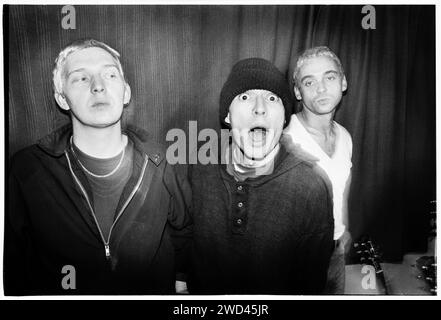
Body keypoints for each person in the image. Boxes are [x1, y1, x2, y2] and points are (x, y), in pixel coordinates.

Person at [4, 39, 192, 295]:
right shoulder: (28, 170)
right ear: (62, 98)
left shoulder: (163, 162)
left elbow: (186, 233)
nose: (98, 86)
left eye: (110, 74)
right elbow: (11, 263)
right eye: (81, 78)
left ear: (125, 92)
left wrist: (181, 282)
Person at [188, 57, 334, 294]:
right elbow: (186, 238)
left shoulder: (312, 186)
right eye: (245, 97)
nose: (259, 107)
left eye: (272, 98)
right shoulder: (200, 166)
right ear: (227, 115)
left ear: (284, 118)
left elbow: (310, 283)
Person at [284, 46, 353, 294]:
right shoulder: (285, 139)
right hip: (296, 260)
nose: (321, 88)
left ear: (343, 82)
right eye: (309, 82)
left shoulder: (344, 136)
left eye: (330, 77)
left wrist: (343, 230)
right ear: (297, 92)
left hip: (336, 253)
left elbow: (342, 188)